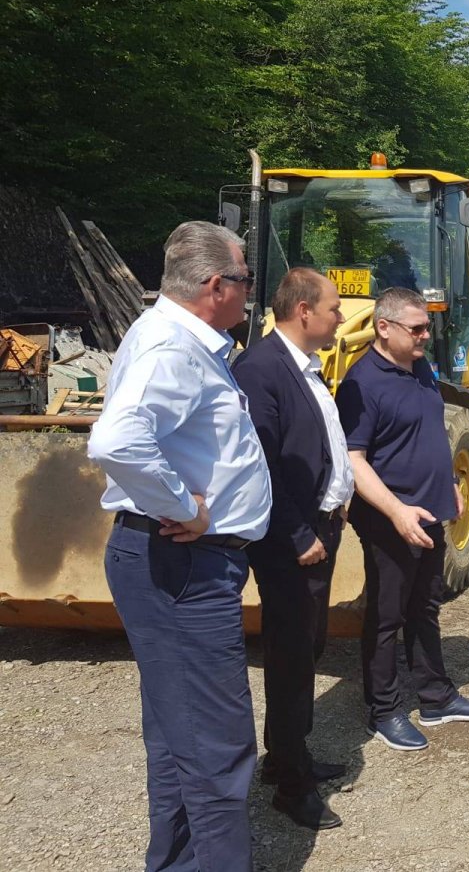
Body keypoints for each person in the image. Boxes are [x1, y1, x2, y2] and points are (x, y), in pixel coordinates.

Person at [87, 221, 271, 872]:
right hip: (181, 564)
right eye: (245, 280)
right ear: (217, 285)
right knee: (218, 747)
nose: (251, 293)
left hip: (176, 562)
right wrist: (180, 503)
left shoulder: (185, 339)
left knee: (176, 736)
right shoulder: (172, 346)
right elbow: (115, 442)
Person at [335, 287, 469, 751]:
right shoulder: (361, 384)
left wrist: (446, 483)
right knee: (386, 617)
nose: (427, 334)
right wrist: (397, 511)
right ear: (384, 328)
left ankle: (436, 697)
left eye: (428, 326)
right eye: (417, 328)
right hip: (390, 517)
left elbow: (425, 434)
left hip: (430, 510)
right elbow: (354, 459)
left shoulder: (421, 368)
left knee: (425, 606)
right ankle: (383, 710)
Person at [231, 268, 352, 831]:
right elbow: (262, 465)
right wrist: (298, 533)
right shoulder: (262, 369)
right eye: (333, 308)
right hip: (292, 540)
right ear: (303, 310)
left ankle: (284, 758)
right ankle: (291, 785)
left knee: (305, 647)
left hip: (319, 528)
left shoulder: (302, 366)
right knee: (290, 656)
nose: (341, 317)